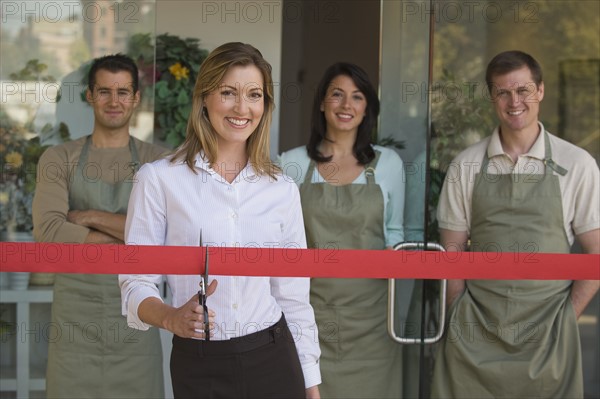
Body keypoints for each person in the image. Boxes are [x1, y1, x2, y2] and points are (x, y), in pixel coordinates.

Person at [119, 42, 321, 399]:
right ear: (205, 98)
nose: (242, 108)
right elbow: (135, 281)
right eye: (228, 92)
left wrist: (311, 384)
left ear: (265, 105)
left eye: (254, 95)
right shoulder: (159, 179)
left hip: (275, 357)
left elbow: (293, 299)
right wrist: (169, 317)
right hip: (200, 363)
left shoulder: (282, 189)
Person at [431, 50, 600, 398]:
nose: (514, 101)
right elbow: (452, 252)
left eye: (522, 90)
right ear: (492, 97)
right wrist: (460, 316)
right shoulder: (466, 164)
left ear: (540, 90)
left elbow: (596, 253)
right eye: (503, 92)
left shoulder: (578, 163)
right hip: (475, 335)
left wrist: (566, 319)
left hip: (548, 337)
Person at [32, 54, 166, 397]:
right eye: (104, 91)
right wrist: (129, 242)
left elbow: (165, 236)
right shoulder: (59, 158)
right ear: (90, 96)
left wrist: (89, 217)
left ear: (136, 98)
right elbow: (48, 232)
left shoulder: (159, 161)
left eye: (123, 92)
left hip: (137, 312)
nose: (114, 101)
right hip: (74, 317)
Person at [280, 62, 405, 398]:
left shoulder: (389, 164)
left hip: (373, 323)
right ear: (322, 102)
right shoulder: (290, 164)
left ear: (367, 109)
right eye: (337, 94)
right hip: (308, 315)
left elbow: (396, 235)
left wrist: (395, 255)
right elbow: (277, 243)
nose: (346, 105)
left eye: (357, 97)